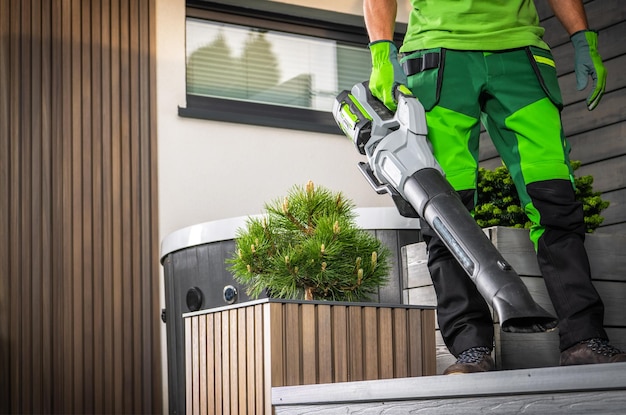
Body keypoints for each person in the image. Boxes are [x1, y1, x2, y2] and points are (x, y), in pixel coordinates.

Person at [363, 0, 626, 374]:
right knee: (444, 211)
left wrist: (583, 37)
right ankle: (470, 349)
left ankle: (585, 339)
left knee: (555, 200)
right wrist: (381, 52)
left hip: (521, 55)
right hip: (439, 56)